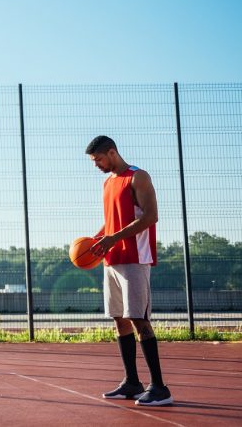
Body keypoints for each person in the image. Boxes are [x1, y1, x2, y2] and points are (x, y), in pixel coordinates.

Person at [86, 135, 173, 406]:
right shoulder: (107, 182)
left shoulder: (139, 177)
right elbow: (112, 222)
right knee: (119, 319)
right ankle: (132, 382)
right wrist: (97, 239)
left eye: (98, 159)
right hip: (112, 260)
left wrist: (114, 238)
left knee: (139, 319)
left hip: (136, 259)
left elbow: (150, 217)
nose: (96, 165)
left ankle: (160, 388)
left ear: (112, 153)